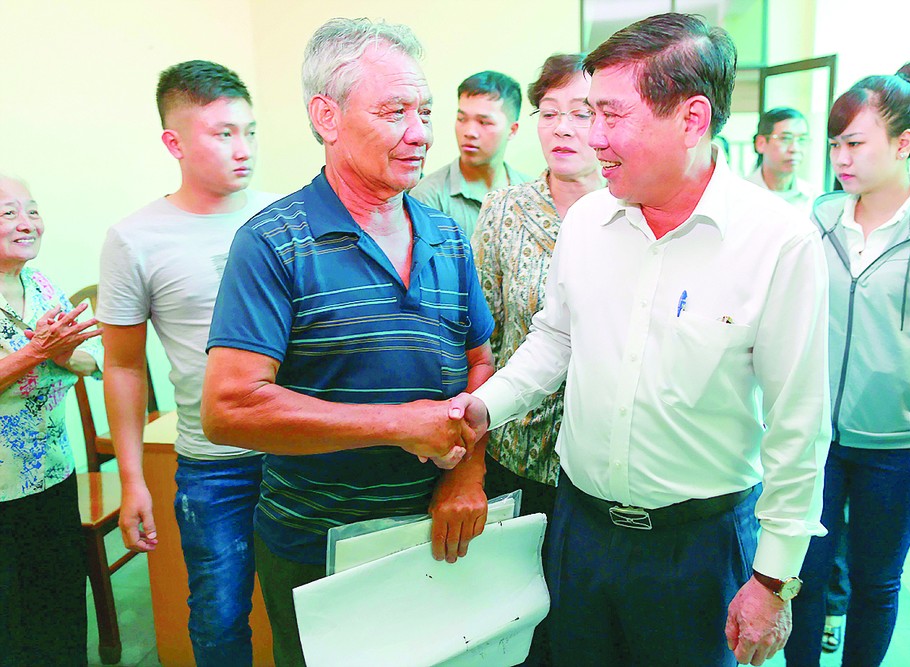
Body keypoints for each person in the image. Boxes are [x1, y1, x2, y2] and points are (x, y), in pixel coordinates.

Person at [452, 12, 831, 666]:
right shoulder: (590, 223)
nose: (590, 136)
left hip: (698, 547)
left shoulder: (778, 243)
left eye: (611, 115)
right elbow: (553, 343)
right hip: (581, 532)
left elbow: (800, 426)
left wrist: (773, 580)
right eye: (584, 112)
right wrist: (480, 410)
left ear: (691, 119)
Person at [199, 18, 494, 667]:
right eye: (395, 112)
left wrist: (467, 472)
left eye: (425, 111)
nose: (420, 133)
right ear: (326, 117)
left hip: (439, 539)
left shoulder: (446, 235)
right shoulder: (274, 242)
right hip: (320, 550)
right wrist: (397, 423)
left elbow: (479, 362)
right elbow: (228, 407)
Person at [783, 63, 910, 667]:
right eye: (835, 145)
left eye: (854, 143)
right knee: (805, 577)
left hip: (899, 446)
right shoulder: (820, 217)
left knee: (877, 583)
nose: (840, 158)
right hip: (814, 436)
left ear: (903, 144)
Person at [98, 60, 278, 666]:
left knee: (312, 605)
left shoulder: (286, 218)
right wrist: (130, 481)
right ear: (174, 142)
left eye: (249, 131)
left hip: (299, 451)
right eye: (222, 133)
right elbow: (122, 367)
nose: (243, 148)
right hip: (212, 464)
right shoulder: (135, 238)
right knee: (221, 616)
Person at [471, 52, 603, 667]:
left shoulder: (634, 212)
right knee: (516, 626)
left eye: (582, 112)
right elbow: (480, 337)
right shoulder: (504, 211)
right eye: (550, 113)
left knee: (586, 625)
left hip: (602, 468)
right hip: (516, 455)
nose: (564, 128)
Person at [0, 174, 102, 666]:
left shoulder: (40, 285)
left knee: (60, 604)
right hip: (1, 491)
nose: (26, 223)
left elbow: (88, 360)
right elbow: (44, 354)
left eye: (32, 211)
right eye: (8, 213)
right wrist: (37, 352)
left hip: (52, 475)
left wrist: (59, 354)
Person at [410, 70, 531, 236]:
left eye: (484, 122)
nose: (469, 132)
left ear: (512, 130)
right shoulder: (429, 196)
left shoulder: (530, 194)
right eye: (462, 119)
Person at [747, 107, 821, 214]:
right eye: (785, 138)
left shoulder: (815, 200)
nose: (794, 149)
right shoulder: (739, 193)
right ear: (761, 143)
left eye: (802, 140)